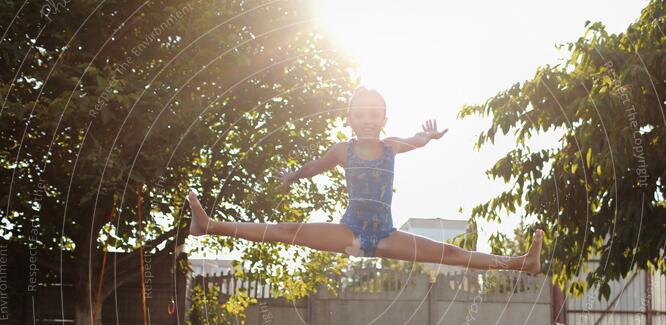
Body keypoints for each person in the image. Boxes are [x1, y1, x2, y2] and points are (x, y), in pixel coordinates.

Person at [188, 86, 544, 273]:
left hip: (385, 234)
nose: (367, 120)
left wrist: (428, 137)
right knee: (287, 231)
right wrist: (293, 175)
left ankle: (522, 263)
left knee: (450, 253)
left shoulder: (392, 146)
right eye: (360, 115)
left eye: (374, 114)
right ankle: (208, 226)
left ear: (385, 117)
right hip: (350, 231)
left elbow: (417, 141)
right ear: (349, 119)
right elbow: (314, 166)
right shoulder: (342, 150)